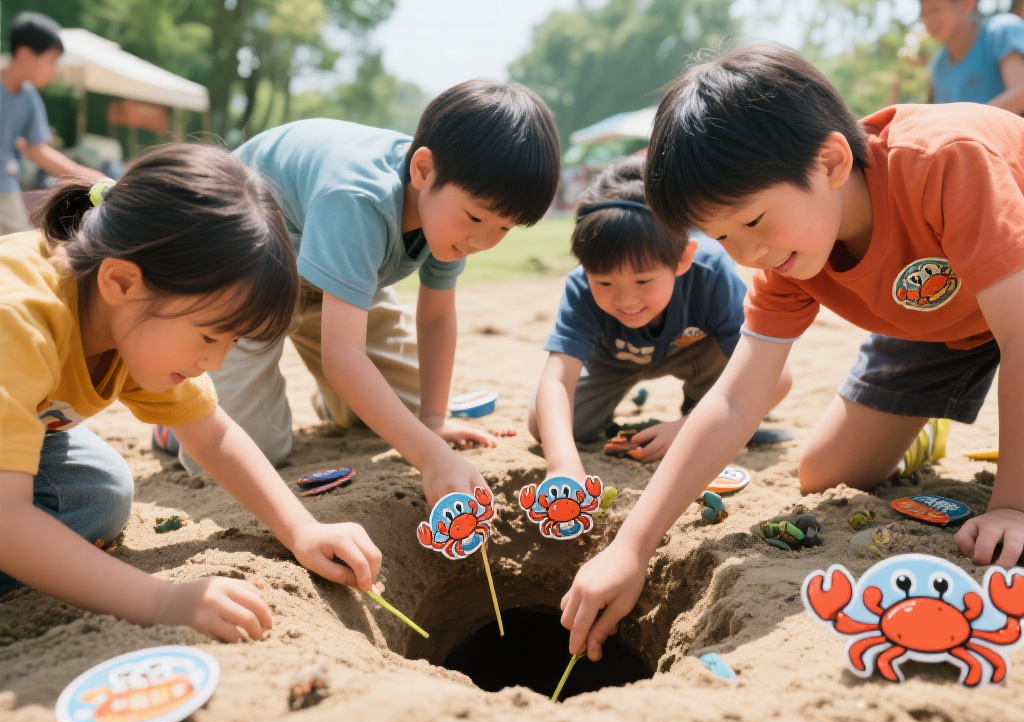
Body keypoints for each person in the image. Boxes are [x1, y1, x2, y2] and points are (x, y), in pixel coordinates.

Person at [560, 43, 1024, 661]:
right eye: (721, 236)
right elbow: (735, 400)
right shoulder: (788, 256)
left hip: (1015, 298)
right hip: (934, 319)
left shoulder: (945, 161)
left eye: (753, 221)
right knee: (825, 473)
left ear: (830, 162)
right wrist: (630, 548)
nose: (746, 253)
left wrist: (1012, 506)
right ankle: (922, 429)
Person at [0, 144, 382, 642]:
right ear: (122, 282)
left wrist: (301, 529)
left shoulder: (131, 315)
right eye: (208, 336)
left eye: (231, 341)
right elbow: (8, 519)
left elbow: (213, 436)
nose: (215, 362)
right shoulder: (18, 322)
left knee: (99, 493)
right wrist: (161, 600)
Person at [155, 80, 560, 507]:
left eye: (504, 227)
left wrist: (433, 421)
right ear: (423, 171)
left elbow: (438, 316)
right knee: (246, 452)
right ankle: (173, 418)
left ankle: (339, 400)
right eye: (476, 218)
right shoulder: (358, 197)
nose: (484, 241)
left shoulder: (450, 217)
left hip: (333, 278)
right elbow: (343, 357)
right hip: (247, 269)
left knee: (406, 414)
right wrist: (431, 457)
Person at [528, 156, 792, 475]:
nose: (626, 299)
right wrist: (563, 464)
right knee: (544, 425)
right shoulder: (581, 284)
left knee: (738, 396)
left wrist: (688, 428)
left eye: (643, 281)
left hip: (699, 353)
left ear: (682, 259)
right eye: (605, 282)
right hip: (613, 359)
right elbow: (556, 380)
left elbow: (778, 378)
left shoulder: (710, 271)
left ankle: (703, 410)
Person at [0, 12, 103, 235]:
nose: (55, 70)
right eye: (51, 61)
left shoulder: (29, 98)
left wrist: (94, 178)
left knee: (20, 242)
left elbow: (39, 152)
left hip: (5, 188)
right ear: (25, 55)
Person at [921, 0, 1024, 111]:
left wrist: (968, 120)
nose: (928, 20)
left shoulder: (1001, 31)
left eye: (935, 10)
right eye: (924, 14)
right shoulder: (938, 66)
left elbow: (1021, 93)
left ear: (966, 4)